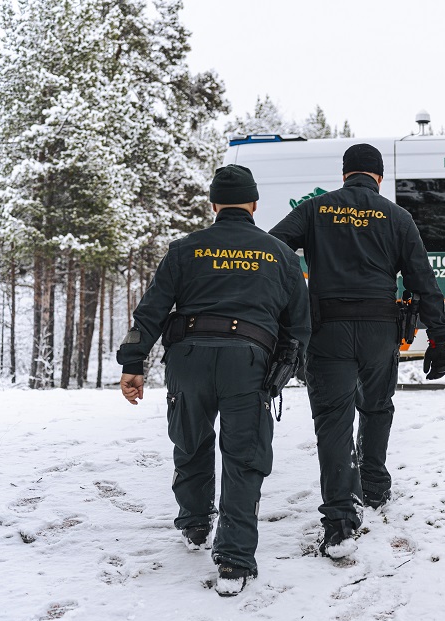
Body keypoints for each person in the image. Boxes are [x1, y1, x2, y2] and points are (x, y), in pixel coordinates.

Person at [117, 165, 310, 596]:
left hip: (189, 359)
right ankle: (235, 561)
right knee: (244, 458)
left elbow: (150, 311)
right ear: (254, 204)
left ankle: (194, 524)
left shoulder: (185, 249)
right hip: (249, 363)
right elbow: (299, 325)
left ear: (214, 205)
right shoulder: (279, 253)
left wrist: (133, 363)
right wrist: (289, 369)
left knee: (191, 441)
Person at [269, 143, 445, 559]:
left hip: (327, 329)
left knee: (333, 421)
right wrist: (439, 338)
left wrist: (297, 296)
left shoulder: (316, 210)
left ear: (344, 175)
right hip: (379, 331)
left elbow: (273, 248)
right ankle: (374, 486)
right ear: (379, 177)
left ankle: (339, 520)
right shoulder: (397, 217)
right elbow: (424, 280)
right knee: (376, 406)